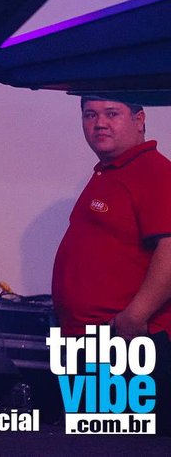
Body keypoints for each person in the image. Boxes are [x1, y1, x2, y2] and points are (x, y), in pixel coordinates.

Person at [52, 95, 171, 423]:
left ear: (139, 119)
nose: (99, 123)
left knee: (122, 442)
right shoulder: (109, 173)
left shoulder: (154, 172)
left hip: (125, 342)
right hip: (91, 341)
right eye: (90, 115)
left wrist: (134, 316)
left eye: (111, 114)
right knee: (91, 440)